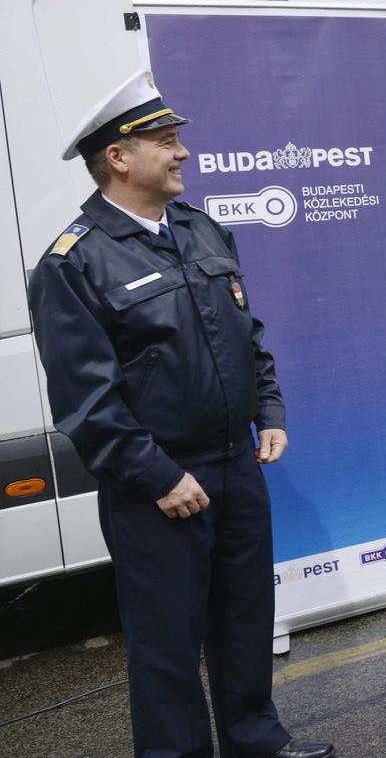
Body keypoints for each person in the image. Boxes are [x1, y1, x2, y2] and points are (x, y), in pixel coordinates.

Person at [27, 71, 332, 758]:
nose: (182, 153)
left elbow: (246, 336)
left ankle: (255, 741)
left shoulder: (202, 231)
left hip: (235, 467)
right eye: (165, 141)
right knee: (166, 649)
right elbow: (86, 400)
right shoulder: (74, 264)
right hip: (159, 489)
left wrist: (271, 410)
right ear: (118, 157)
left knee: (245, 624)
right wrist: (159, 477)